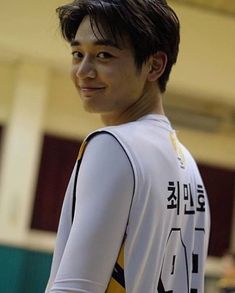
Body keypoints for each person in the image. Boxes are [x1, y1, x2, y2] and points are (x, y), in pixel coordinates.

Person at [45, 0, 210, 292]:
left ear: (154, 65)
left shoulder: (113, 146)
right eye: (77, 53)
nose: (83, 70)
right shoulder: (190, 169)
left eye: (104, 54)